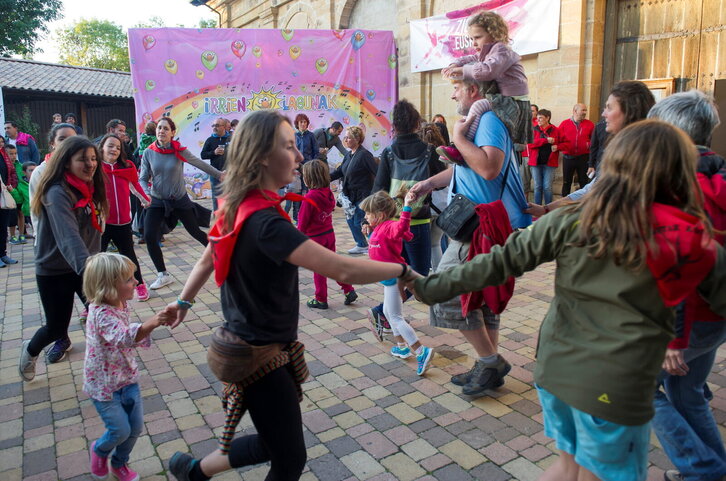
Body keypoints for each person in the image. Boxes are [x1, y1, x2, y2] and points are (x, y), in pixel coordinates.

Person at [407, 120, 726, 481]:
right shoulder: (691, 237)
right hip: (612, 386)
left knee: (569, 465)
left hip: (554, 371)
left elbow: (496, 263)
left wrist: (427, 286)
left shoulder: (572, 221)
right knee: (601, 473)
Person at [163, 110, 419, 481]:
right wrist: (403, 271)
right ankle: (194, 471)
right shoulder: (266, 223)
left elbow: (208, 255)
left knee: (275, 445)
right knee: (289, 459)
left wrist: (183, 302)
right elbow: (344, 270)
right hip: (258, 356)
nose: (299, 155)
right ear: (262, 156)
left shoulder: (239, 203)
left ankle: (194, 471)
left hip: (257, 346)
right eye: (288, 146)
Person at [408, 76, 531, 397]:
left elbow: (489, 168)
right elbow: (469, 167)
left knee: (445, 292)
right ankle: (487, 366)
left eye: (456, 89)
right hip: (478, 224)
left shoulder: (488, 121)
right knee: (482, 298)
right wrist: (430, 183)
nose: (452, 95)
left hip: (479, 226)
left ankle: (490, 361)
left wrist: (459, 137)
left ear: (473, 90)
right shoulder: (482, 120)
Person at [646, 90, 726, 481]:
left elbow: (673, 266)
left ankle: (703, 470)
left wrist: (673, 340)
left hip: (689, 319)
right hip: (716, 315)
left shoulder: (678, 190)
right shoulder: (716, 175)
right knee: (686, 392)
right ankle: (714, 470)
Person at [19, 136, 108, 380]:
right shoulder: (56, 192)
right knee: (56, 327)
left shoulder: (92, 186)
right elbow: (69, 238)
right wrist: (94, 272)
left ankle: (107, 368)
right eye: (82, 159)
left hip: (86, 265)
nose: (90, 164)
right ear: (66, 162)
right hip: (56, 269)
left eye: (93, 159)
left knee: (104, 316)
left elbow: (95, 229)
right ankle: (30, 350)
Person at [82, 253, 171, 481]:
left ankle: (119, 463)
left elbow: (126, 337)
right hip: (104, 387)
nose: (136, 282)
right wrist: (152, 322)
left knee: (135, 427)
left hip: (127, 378)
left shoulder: (119, 303)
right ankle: (100, 450)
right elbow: (123, 337)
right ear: (108, 287)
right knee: (120, 431)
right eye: (129, 279)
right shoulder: (100, 313)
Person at [524, 80, 655, 216]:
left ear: (629, 111)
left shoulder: (648, 152)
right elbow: (591, 189)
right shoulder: (616, 146)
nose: (603, 114)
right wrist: (545, 209)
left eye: (609, 108)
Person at [139, 117, 224, 290]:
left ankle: (221, 259)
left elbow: (199, 163)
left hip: (179, 200)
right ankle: (163, 275)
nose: (161, 131)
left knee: (195, 231)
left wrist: (220, 175)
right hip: (157, 200)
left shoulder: (179, 150)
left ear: (172, 132)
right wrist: (146, 194)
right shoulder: (149, 152)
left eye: (165, 128)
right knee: (149, 235)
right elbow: (143, 178)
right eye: (159, 128)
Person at [439, 10, 531, 164]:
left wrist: (462, 70)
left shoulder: (501, 50)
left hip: (513, 101)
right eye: (471, 39)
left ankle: (461, 145)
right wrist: (455, 64)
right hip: (504, 98)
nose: (474, 43)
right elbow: (472, 57)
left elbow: (487, 71)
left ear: (494, 34)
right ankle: (460, 146)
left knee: (478, 106)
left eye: (477, 37)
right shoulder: (489, 52)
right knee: (470, 110)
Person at [361, 190, 435, 375]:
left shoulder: (390, 226)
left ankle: (421, 351)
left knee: (395, 316)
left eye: (368, 213)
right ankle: (401, 346)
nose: (365, 217)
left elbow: (402, 228)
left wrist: (407, 206)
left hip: (394, 277)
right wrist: (368, 233)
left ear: (380, 215)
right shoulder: (379, 227)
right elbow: (378, 246)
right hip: (388, 278)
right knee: (388, 312)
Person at [297, 159, 357, 309]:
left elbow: (302, 223)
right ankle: (348, 289)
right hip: (329, 234)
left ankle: (321, 299)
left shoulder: (309, 197)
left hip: (315, 239)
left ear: (309, 178)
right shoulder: (328, 192)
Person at [100, 134, 152, 301]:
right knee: (97, 260)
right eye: (110, 146)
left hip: (122, 222)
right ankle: (95, 295)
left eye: (118, 147)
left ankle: (140, 285)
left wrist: (145, 199)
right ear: (102, 147)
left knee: (129, 256)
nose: (114, 149)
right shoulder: (95, 169)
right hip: (101, 223)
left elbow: (135, 185)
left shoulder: (126, 166)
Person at [329, 125, 377, 255]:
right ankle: (362, 245)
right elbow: (340, 171)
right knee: (351, 221)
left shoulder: (364, 155)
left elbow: (377, 172)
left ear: (357, 139)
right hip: (350, 196)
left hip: (363, 195)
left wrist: (376, 192)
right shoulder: (348, 155)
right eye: (345, 137)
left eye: (348, 137)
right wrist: (325, 178)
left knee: (360, 221)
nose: (345, 140)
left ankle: (376, 244)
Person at [29, 123, 79, 234]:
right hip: (53, 233)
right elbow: (36, 209)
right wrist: (40, 236)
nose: (67, 142)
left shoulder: (83, 167)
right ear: (52, 143)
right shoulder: (41, 172)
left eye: (72, 139)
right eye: (62, 139)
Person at [418, 122, 450, 270]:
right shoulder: (444, 154)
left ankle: (435, 275)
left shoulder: (422, 155)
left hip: (429, 205)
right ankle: (440, 274)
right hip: (444, 205)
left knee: (429, 244)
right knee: (436, 243)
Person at [557, 103, 594, 196]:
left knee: (583, 182)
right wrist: (563, 147)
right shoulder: (564, 124)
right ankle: (564, 203)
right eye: (583, 110)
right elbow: (558, 139)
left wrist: (587, 145)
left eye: (585, 110)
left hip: (583, 158)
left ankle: (584, 202)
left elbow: (594, 141)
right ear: (575, 111)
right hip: (568, 157)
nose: (585, 112)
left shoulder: (590, 124)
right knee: (566, 182)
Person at [526, 109, 560, 206]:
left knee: (547, 187)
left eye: (540, 118)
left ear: (547, 118)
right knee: (537, 186)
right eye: (537, 118)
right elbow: (530, 144)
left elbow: (564, 143)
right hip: (535, 163)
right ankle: (538, 207)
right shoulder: (533, 129)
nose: (538, 120)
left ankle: (548, 208)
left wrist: (558, 147)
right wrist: (545, 140)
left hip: (550, 163)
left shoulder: (555, 130)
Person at [200, 118, 231, 212]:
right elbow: (203, 155)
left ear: (224, 127)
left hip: (230, 173)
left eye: (217, 125)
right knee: (216, 198)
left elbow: (239, 152)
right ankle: (217, 217)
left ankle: (231, 217)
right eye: (213, 125)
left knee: (231, 197)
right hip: (215, 173)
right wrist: (214, 152)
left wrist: (227, 152)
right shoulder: (210, 140)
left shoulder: (232, 138)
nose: (214, 127)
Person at [7, 143, 34, 244]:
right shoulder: (5, 166)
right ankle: (12, 235)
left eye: (15, 153)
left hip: (20, 194)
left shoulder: (19, 165)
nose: (13, 156)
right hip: (10, 192)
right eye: (11, 154)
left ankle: (22, 234)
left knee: (21, 213)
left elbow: (23, 180)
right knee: (12, 215)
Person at [0, 138, 18, 268]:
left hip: (4, 194)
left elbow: (11, 172)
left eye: (1, 142)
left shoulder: (3, 155)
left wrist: (10, 185)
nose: (0, 144)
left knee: (2, 227)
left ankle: (3, 254)